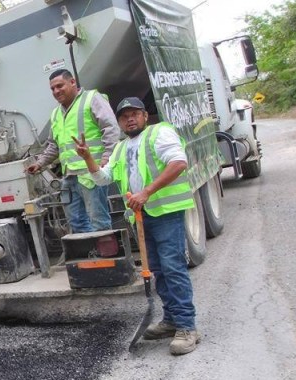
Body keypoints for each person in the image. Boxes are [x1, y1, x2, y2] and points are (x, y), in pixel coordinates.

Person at [74, 97, 202, 355]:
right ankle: (171, 319)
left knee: (173, 267)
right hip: (141, 217)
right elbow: (103, 179)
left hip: (166, 212)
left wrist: (146, 192)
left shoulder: (159, 133)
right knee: (159, 269)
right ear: (119, 122)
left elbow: (178, 163)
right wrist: (88, 158)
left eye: (134, 114)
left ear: (144, 116)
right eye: (124, 116)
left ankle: (187, 327)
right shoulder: (121, 148)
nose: (129, 119)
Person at [26, 69, 120, 234]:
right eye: (52, 89)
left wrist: (107, 158)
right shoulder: (56, 113)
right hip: (69, 177)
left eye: (59, 86)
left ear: (72, 82)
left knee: (99, 222)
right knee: (76, 223)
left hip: (92, 175)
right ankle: (89, 249)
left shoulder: (91, 99)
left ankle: (104, 250)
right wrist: (40, 163)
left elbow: (111, 129)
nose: (56, 91)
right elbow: (54, 145)